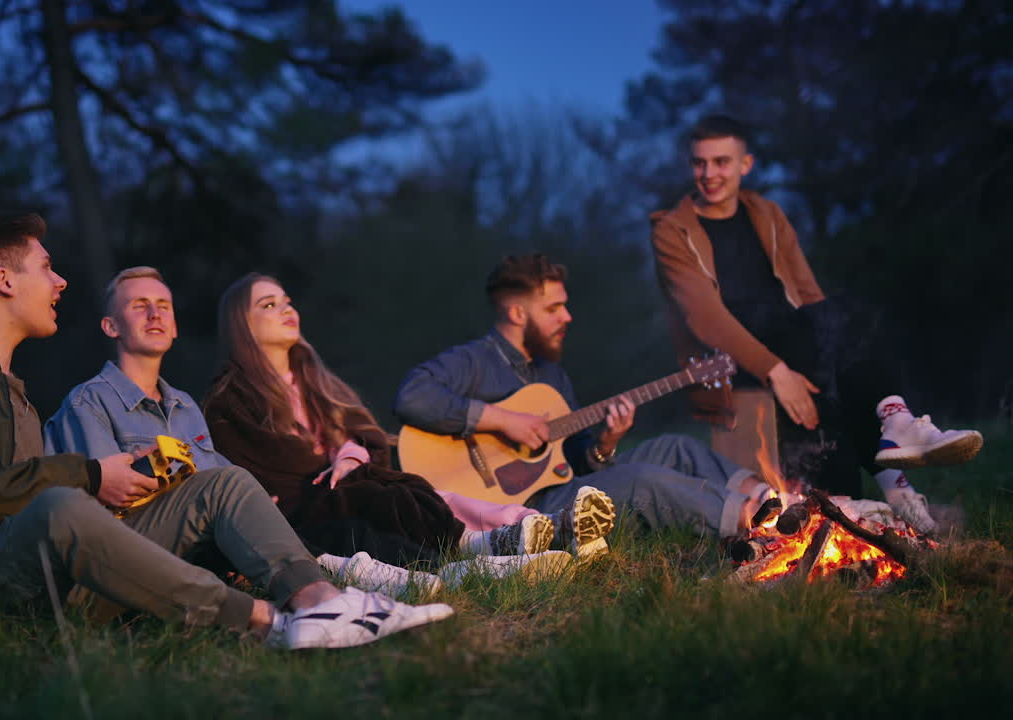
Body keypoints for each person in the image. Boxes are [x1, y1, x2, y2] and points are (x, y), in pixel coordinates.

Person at [0, 212, 452, 650]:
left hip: (49, 573)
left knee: (224, 484)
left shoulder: (17, 392)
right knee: (63, 506)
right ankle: (270, 624)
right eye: (46, 267)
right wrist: (92, 476)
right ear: (3, 279)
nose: (60, 281)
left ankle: (321, 602)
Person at [649, 114, 983, 533]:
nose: (710, 174)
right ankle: (894, 481)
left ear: (745, 164)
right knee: (818, 336)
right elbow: (704, 317)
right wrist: (779, 372)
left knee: (848, 317)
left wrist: (832, 353)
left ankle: (895, 425)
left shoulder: (767, 214)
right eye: (700, 163)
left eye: (721, 162)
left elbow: (810, 296)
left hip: (792, 339)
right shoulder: (671, 229)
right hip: (728, 358)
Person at [202, 272, 615, 581]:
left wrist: (348, 456)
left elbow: (355, 436)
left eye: (288, 301)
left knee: (415, 491)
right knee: (386, 500)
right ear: (242, 324)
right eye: (269, 305)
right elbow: (253, 472)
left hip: (348, 488)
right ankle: (491, 546)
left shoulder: (314, 382)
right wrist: (332, 471)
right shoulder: (230, 401)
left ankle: (541, 530)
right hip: (306, 510)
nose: (287, 310)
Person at [394, 254, 785, 540]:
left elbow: (579, 462)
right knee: (639, 479)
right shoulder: (473, 361)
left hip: (562, 485)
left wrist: (606, 442)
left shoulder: (552, 374)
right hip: (525, 509)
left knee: (675, 447)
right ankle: (754, 525)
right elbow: (413, 396)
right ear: (517, 314)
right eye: (554, 308)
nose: (568, 316)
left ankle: (774, 498)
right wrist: (502, 420)